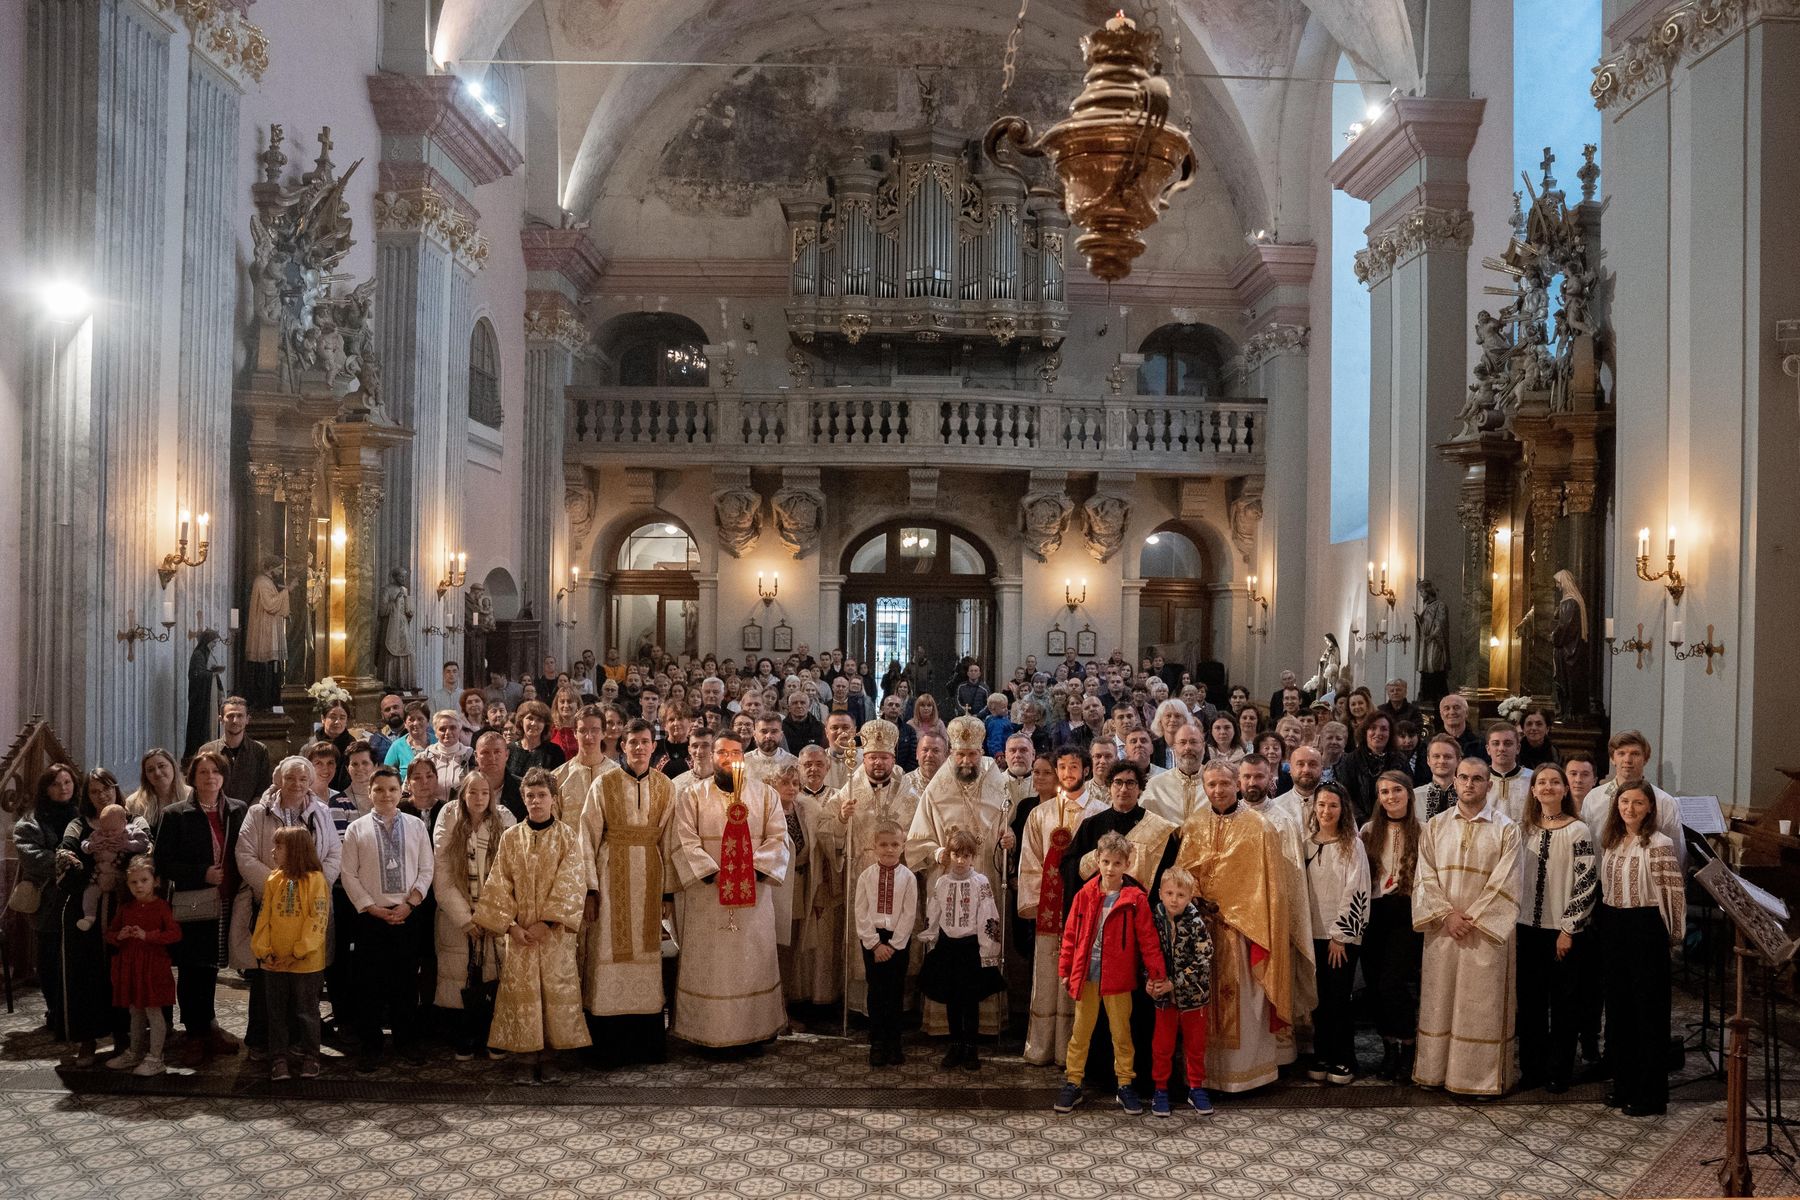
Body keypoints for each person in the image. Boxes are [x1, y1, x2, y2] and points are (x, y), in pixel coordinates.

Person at [1175, 760, 1295, 1094]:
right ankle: (1204, 1076)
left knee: (1244, 1003)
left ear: (1237, 785)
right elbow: (1183, 872)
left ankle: (1247, 1075)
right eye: (1211, 784)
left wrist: (1240, 914)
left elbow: (1271, 889)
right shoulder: (1194, 823)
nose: (1218, 790)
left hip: (1243, 932)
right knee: (1204, 1004)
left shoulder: (1260, 827)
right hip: (1202, 929)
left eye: (1224, 783)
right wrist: (1196, 898)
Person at [668, 732, 790, 1052]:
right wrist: (713, 873)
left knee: (751, 962)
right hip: (707, 897)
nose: (728, 758)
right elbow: (682, 839)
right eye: (722, 752)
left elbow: (779, 838)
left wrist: (749, 872)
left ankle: (755, 1031)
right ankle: (708, 1033)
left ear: (743, 757)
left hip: (752, 896)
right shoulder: (693, 796)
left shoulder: (765, 795)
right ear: (712, 756)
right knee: (711, 965)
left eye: (735, 753)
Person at [474, 768, 592, 1081]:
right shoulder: (511, 837)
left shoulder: (567, 836)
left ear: (554, 799)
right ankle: (525, 1056)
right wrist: (511, 926)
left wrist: (548, 922)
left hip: (553, 934)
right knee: (522, 993)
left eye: (542, 795)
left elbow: (572, 882)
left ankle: (551, 1055)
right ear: (523, 799)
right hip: (520, 934)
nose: (536, 801)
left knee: (554, 991)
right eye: (530, 796)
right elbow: (499, 883)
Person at [1412, 756, 1521, 1096]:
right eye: (1463, 778)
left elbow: (1507, 881)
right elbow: (1424, 876)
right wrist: (1446, 915)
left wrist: (1471, 918)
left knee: (1480, 1006)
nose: (1469, 784)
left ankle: (1476, 1079)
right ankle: (1434, 1071)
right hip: (1443, 930)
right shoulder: (1435, 826)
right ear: (1455, 782)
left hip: (1484, 933)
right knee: (1439, 1000)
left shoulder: (1507, 829)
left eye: (1477, 778)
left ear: (1489, 784)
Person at [908, 715, 1016, 1038]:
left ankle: (981, 1026)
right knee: (949, 955)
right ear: (952, 754)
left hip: (985, 880)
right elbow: (917, 840)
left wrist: (1009, 839)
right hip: (947, 881)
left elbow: (1007, 830)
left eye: (972, 754)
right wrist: (937, 852)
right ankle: (947, 1027)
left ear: (981, 752)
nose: (966, 761)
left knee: (982, 949)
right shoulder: (936, 790)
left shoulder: (999, 786)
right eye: (960, 754)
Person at [234, 757, 343, 1064]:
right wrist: (277, 886)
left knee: (304, 978)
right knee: (267, 977)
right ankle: (261, 1039)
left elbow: (334, 853)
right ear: (279, 780)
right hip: (270, 903)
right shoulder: (258, 812)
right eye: (290, 778)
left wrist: (313, 884)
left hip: (309, 905)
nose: (297, 784)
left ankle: (298, 1041)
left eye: (303, 779)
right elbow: (245, 855)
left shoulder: (321, 811)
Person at [578, 719, 676, 1064]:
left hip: (650, 877)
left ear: (653, 746)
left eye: (645, 742)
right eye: (632, 742)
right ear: (622, 746)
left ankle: (646, 1046)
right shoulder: (604, 784)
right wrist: (590, 889)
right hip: (610, 878)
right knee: (608, 952)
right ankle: (608, 1047)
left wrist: (667, 893)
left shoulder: (665, 786)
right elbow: (587, 836)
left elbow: (669, 841)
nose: (639, 748)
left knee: (647, 957)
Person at [1052, 832, 1167, 1115]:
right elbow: (1070, 935)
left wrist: (1157, 973)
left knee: (1121, 1033)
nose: (1110, 868)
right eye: (1105, 862)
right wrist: (1065, 970)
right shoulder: (1085, 894)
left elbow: (1148, 939)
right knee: (1080, 1032)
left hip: (1118, 979)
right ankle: (1073, 1081)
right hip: (1087, 976)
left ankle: (1125, 1084)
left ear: (1127, 864)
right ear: (1097, 860)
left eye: (1117, 863)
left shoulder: (1135, 899)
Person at [1598, 780, 1685, 1117]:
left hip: (1646, 928)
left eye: (1637, 803)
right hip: (1614, 924)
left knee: (1648, 1012)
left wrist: (1673, 936)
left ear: (1649, 807)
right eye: (1624, 802)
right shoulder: (1612, 840)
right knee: (1618, 1010)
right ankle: (1624, 1083)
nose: (1629, 809)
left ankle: (1651, 1094)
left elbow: (1672, 893)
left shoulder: (1660, 843)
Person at [153, 751, 246, 1064]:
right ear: (192, 777)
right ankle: (194, 1033)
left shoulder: (237, 809)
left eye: (216, 771)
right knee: (192, 969)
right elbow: (162, 863)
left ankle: (210, 1028)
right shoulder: (175, 814)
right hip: (194, 901)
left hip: (228, 898)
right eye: (203, 772)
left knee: (211, 968)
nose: (210, 777)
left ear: (224, 776)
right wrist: (201, 873)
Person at [1017, 747, 1105, 1066]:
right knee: (1046, 975)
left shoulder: (1099, 811)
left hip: (1086, 906)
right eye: (1063, 767)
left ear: (1086, 770)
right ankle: (1043, 1047)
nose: (1068, 773)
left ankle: (1075, 1052)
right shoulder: (1040, 814)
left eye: (1074, 766)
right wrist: (1034, 902)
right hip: (1049, 908)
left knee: (1081, 975)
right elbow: (1030, 860)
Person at [342, 766, 433, 1072]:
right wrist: (370, 907)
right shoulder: (357, 829)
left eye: (392, 789)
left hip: (407, 915)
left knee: (405, 983)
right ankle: (371, 1046)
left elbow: (426, 868)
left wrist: (411, 902)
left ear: (401, 790)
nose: (386, 795)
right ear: (370, 793)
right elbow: (348, 874)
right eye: (379, 789)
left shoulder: (416, 826)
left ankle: (406, 1042)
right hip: (372, 918)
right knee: (370, 984)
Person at [1515, 763, 1598, 1093]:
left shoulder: (1578, 830)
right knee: (1530, 1004)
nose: (1548, 787)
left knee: (1564, 1005)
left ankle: (1558, 1070)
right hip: (1526, 927)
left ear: (1564, 789)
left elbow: (1586, 881)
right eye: (1542, 783)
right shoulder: (1523, 830)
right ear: (1533, 790)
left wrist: (1568, 928)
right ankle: (1531, 1069)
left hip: (1562, 932)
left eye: (1554, 782)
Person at [831, 720, 919, 1016]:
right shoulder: (849, 789)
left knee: (898, 939)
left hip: (899, 875)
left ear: (893, 759)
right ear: (864, 759)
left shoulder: (909, 794)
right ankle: (862, 1008)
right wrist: (842, 818)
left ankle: (896, 1012)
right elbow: (826, 831)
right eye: (872, 757)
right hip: (863, 873)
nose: (878, 763)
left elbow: (919, 834)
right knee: (864, 941)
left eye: (884, 757)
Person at [432, 772, 514, 1060]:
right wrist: (466, 918)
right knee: (460, 977)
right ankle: (463, 1035)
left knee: (493, 975)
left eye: (484, 793)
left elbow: (510, 871)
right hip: (458, 913)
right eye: (473, 792)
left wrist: (491, 914)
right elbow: (442, 873)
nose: (479, 798)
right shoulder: (450, 817)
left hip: (492, 913)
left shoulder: (503, 819)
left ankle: (492, 1035)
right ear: (463, 794)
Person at [919, 828, 1007, 1071]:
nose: (960, 861)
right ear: (949, 854)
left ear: (973, 857)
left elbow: (988, 915)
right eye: (956, 855)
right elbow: (934, 911)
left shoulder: (980, 883)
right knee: (952, 999)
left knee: (969, 1000)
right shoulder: (942, 882)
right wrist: (931, 939)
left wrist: (988, 949)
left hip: (970, 949)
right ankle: (955, 1044)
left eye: (966, 856)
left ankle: (971, 1047)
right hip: (948, 948)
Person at [249, 826, 330, 1080]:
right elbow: (264, 917)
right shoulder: (274, 879)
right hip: (274, 962)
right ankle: (278, 1058)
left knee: (307, 1011)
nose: (273, 852)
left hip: (306, 963)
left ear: (295, 850)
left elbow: (317, 919)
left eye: (279, 847)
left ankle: (311, 1056)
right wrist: (263, 950)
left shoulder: (315, 880)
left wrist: (299, 951)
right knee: (276, 1013)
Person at [1303, 784, 1370, 1085]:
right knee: (1317, 998)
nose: (1326, 811)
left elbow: (1357, 888)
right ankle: (1322, 1053)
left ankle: (1345, 1057)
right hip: (1312, 933)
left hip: (1339, 938)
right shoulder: (1306, 844)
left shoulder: (1352, 845)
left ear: (1343, 809)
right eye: (1321, 805)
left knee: (1338, 998)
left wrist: (1341, 935)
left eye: (1332, 805)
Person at [1361, 770, 1423, 1082]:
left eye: (1396, 790)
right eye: (1384, 791)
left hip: (1406, 912)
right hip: (1374, 913)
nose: (1390, 796)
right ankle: (1389, 1048)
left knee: (1393, 983)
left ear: (1408, 794)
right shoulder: (1369, 830)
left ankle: (1408, 1045)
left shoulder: (1423, 830)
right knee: (1375, 985)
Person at [16, 765, 80, 1044]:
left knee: (77, 958)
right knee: (50, 957)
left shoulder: (80, 815)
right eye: (56, 783)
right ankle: (55, 1009)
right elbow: (32, 858)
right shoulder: (30, 823)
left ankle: (76, 1010)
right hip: (48, 900)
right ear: (45, 788)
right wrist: (67, 860)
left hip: (78, 896)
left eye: (67, 782)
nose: (63, 788)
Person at [102, 856, 179, 1076]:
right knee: (135, 1010)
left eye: (144, 880)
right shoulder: (126, 908)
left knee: (153, 1011)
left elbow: (175, 933)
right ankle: (135, 1052)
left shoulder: (162, 907)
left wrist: (149, 936)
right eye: (134, 882)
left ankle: (156, 1057)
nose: (139, 886)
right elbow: (110, 934)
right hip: (131, 966)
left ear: (155, 881)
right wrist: (120, 935)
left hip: (153, 967)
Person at [1147, 865, 1215, 1117]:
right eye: (1169, 893)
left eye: (1180, 895)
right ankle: (1160, 1089)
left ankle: (1196, 1088)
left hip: (1194, 997)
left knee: (1195, 1046)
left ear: (1189, 896)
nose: (1174, 900)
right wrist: (1150, 981)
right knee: (1161, 1046)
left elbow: (1203, 959)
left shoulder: (1196, 923)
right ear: (1160, 894)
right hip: (1164, 999)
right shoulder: (1154, 920)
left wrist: (1174, 983)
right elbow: (1147, 953)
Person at [855, 823, 917, 1068]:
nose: (889, 849)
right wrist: (874, 944)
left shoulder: (908, 877)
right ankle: (877, 1042)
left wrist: (894, 944)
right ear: (874, 847)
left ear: (902, 847)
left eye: (894, 844)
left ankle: (894, 1042)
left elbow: (909, 913)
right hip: (873, 940)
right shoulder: (866, 876)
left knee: (895, 992)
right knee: (876, 991)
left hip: (897, 941)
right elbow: (861, 912)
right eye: (883, 844)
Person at [1580, 730, 1686, 869]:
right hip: (1601, 876)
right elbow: (1586, 844)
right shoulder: (1593, 798)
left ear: (1645, 759)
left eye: (1635, 754)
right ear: (1612, 759)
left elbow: (1676, 851)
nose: (1628, 760)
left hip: (1646, 878)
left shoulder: (1664, 802)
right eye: (1621, 753)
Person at [77, 805, 149, 932]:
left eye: (113, 830)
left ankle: (123, 919)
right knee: (89, 892)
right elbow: (83, 844)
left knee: (124, 895)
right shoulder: (97, 834)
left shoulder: (132, 831)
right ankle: (89, 917)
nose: (109, 834)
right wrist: (91, 846)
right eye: (105, 830)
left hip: (119, 874)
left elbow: (144, 844)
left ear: (124, 823)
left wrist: (127, 844)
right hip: (100, 874)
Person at [199, 696, 274, 810]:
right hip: (213, 812)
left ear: (247, 719)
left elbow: (263, 789)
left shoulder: (259, 751)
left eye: (240, 716)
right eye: (230, 716)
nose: (235, 721)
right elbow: (200, 785)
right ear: (221, 719)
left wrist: (248, 814)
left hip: (248, 815)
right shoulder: (207, 750)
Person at [124, 747, 190, 836]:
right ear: (145, 776)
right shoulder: (133, 803)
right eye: (150, 770)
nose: (157, 773)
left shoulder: (192, 796)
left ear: (173, 767)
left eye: (162, 766)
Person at [1484, 722, 1533, 822]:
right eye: (1496, 743)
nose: (1501, 748)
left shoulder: (1533, 779)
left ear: (1518, 748)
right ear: (1488, 749)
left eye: (1508, 743)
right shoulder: (1479, 779)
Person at [508, 700, 568, 777]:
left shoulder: (555, 752)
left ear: (545, 724)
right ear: (521, 722)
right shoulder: (509, 750)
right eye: (530, 718)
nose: (534, 723)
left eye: (539, 720)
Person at [383, 701, 436, 779]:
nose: (415, 723)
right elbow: (385, 775)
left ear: (428, 722)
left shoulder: (437, 742)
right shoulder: (397, 746)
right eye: (411, 719)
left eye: (420, 719)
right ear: (405, 723)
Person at [1414, 735, 1461, 821]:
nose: (1442, 761)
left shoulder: (1467, 795)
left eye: (1447, 757)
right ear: (1428, 760)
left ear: (1458, 761)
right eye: (1436, 756)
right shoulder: (1414, 797)